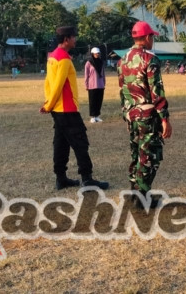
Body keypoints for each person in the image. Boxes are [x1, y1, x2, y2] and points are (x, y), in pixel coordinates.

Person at [40, 26, 109, 190]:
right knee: (80, 143)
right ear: (66, 39)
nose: (75, 40)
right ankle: (87, 178)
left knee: (61, 143)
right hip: (67, 109)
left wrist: (48, 102)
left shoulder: (52, 57)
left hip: (58, 109)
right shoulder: (63, 58)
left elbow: (48, 82)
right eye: (73, 37)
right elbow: (58, 84)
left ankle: (61, 178)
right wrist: (49, 105)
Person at [118, 21, 173, 208]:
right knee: (149, 156)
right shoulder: (150, 60)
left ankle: (134, 194)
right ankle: (142, 199)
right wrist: (164, 119)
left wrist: (126, 113)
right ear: (147, 38)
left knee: (136, 153)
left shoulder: (122, 59)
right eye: (152, 38)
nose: (153, 41)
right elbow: (157, 92)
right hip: (148, 116)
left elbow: (122, 89)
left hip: (131, 114)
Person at [84, 47, 106, 123]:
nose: (98, 54)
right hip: (92, 85)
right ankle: (93, 116)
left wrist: (104, 83)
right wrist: (86, 85)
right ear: (92, 54)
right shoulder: (88, 63)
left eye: (98, 53)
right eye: (96, 53)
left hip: (100, 85)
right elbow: (86, 75)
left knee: (99, 101)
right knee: (92, 101)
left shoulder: (101, 62)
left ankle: (97, 116)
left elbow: (103, 74)